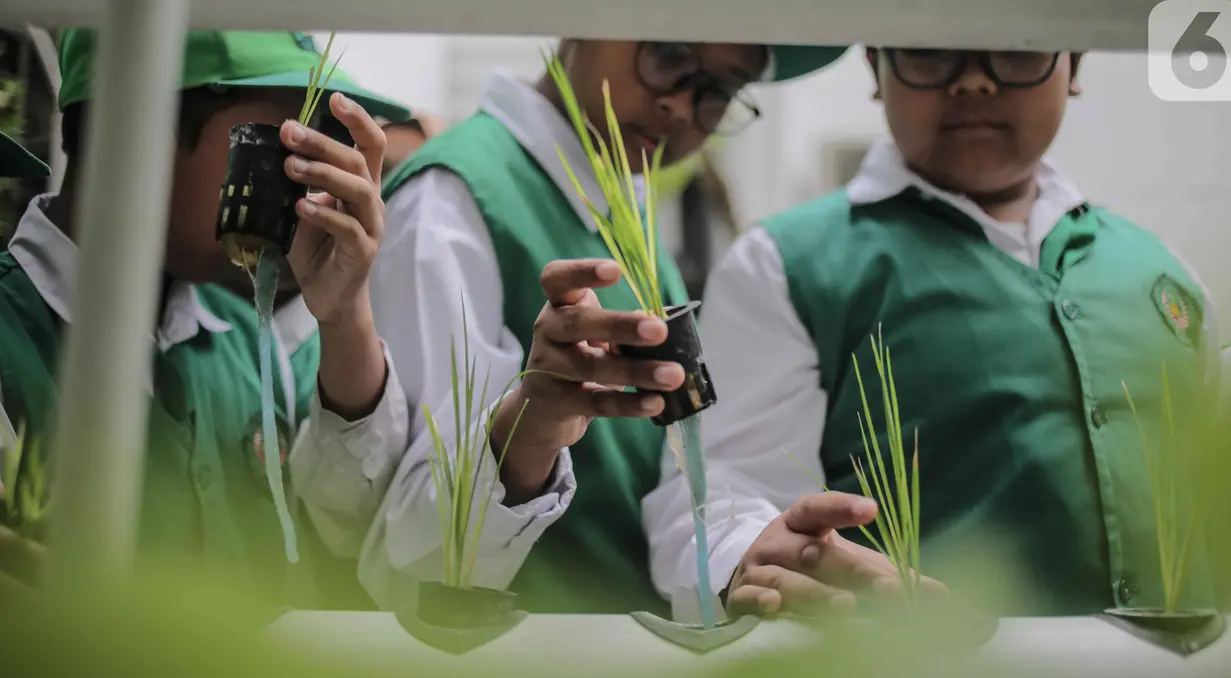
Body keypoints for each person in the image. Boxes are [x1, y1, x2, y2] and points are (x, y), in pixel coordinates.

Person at [645, 47, 1223, 619]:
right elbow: (714, 490)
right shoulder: (784, 264)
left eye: (1016, 52)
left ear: (1075, 63)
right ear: (875, 65)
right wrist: (746, 552)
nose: (974, 81)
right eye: (930, 53)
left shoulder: (1163, 271)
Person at [355, 40, 857, 615]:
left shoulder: (618, 207)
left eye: (718, 93)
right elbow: (411, 550)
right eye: (668, 58)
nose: (680, 107)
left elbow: (674, 462)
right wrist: (530, 427)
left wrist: (739, 550)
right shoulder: (449, 201)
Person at [0, 30, 412, 609]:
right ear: (133, 121)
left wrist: (345, 315)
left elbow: (368, 536)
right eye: (267, 154)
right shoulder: (13, 343)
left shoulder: (250, 340)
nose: (297, 194)